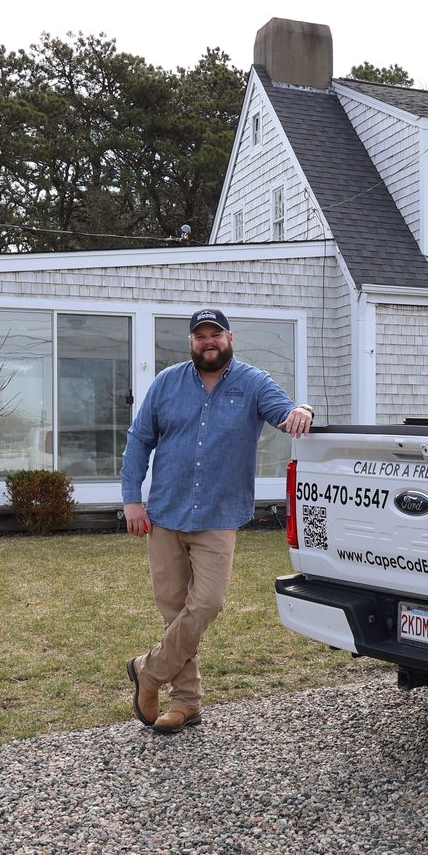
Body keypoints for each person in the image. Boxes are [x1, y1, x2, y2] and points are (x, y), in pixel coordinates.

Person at [121, 308, 313, 734]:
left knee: (207, 604)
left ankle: (147, 672)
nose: (208, 341)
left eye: (216, 334)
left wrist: (303, 409)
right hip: (166, 514)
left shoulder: (253, 382)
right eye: (200, 335)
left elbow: (284, 412)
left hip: (218, 517)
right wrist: (132, 500)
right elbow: (139, 441)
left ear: (229, 337)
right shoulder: (167, 382)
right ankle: (187, 702)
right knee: (175, 612)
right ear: (191, 342)